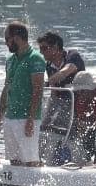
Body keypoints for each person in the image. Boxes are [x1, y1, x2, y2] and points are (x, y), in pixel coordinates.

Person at [0, 21, 45, 167]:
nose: (6, 43)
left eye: (6, 39)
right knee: (13, 161)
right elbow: (6, 90)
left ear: (16, 38)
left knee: (30, 161)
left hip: (26, 118)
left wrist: (31, 119)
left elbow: (38, 91)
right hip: (10, 118)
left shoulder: (35, 58)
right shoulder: (10, 60)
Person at [37, 31, 87, 165]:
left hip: (82, 103)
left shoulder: (72, 56)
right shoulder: (49, 65)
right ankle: (47, 158)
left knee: (66, 129)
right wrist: (46, 118)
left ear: (56, 47)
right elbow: (54, 94)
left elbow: (66, 71)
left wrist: (46, 83)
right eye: (40, 49)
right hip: (63, 103)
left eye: (44, 48)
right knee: (45, 127)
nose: (42, 52)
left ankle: (80, 161)